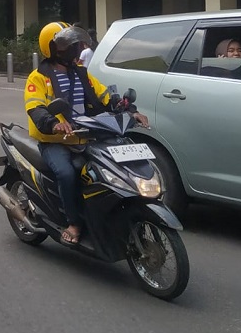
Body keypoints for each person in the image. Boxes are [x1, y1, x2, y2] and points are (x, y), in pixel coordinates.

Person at [25, 22, 149, 245]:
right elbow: (35, 108)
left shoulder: (82, 74)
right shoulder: (38, 77)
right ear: (53, 48)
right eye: (68, 44)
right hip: (56, 141)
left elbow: (104, 97)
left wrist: (130, 110)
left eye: (74, 43)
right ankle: (73, 222)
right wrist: (53, 124)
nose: (74, 48)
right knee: (67, 173)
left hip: (87, 135)